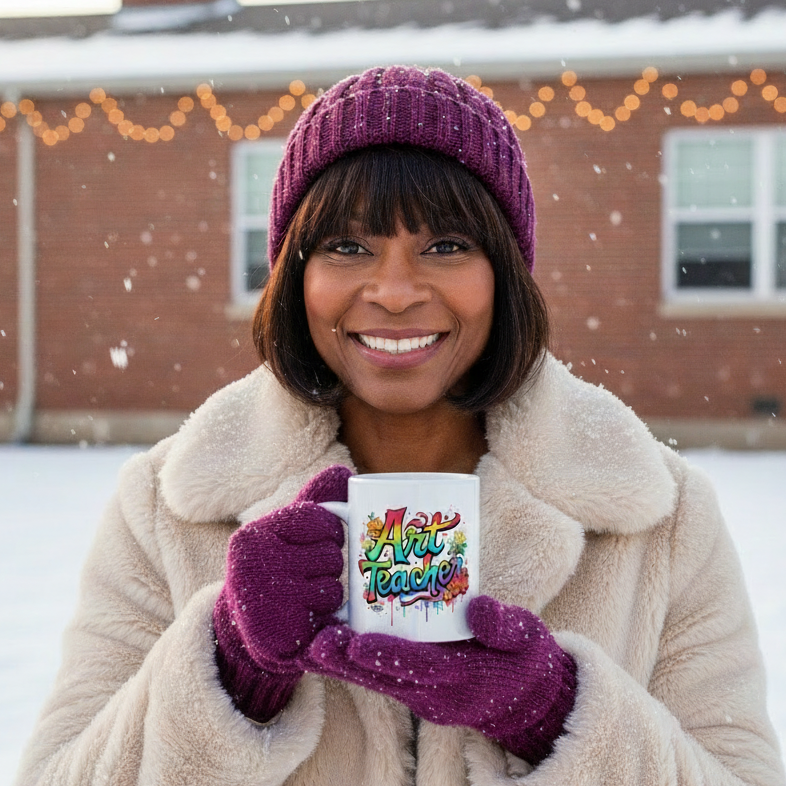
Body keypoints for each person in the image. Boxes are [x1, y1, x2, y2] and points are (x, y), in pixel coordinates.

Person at [14, 65, 784, 786]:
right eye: (348, 246)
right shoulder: (168, 507)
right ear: (295, 277)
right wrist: (229, 667)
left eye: (446, 245)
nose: (393, 291)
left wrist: (557, 715)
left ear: (505, 274)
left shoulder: (660, 515)